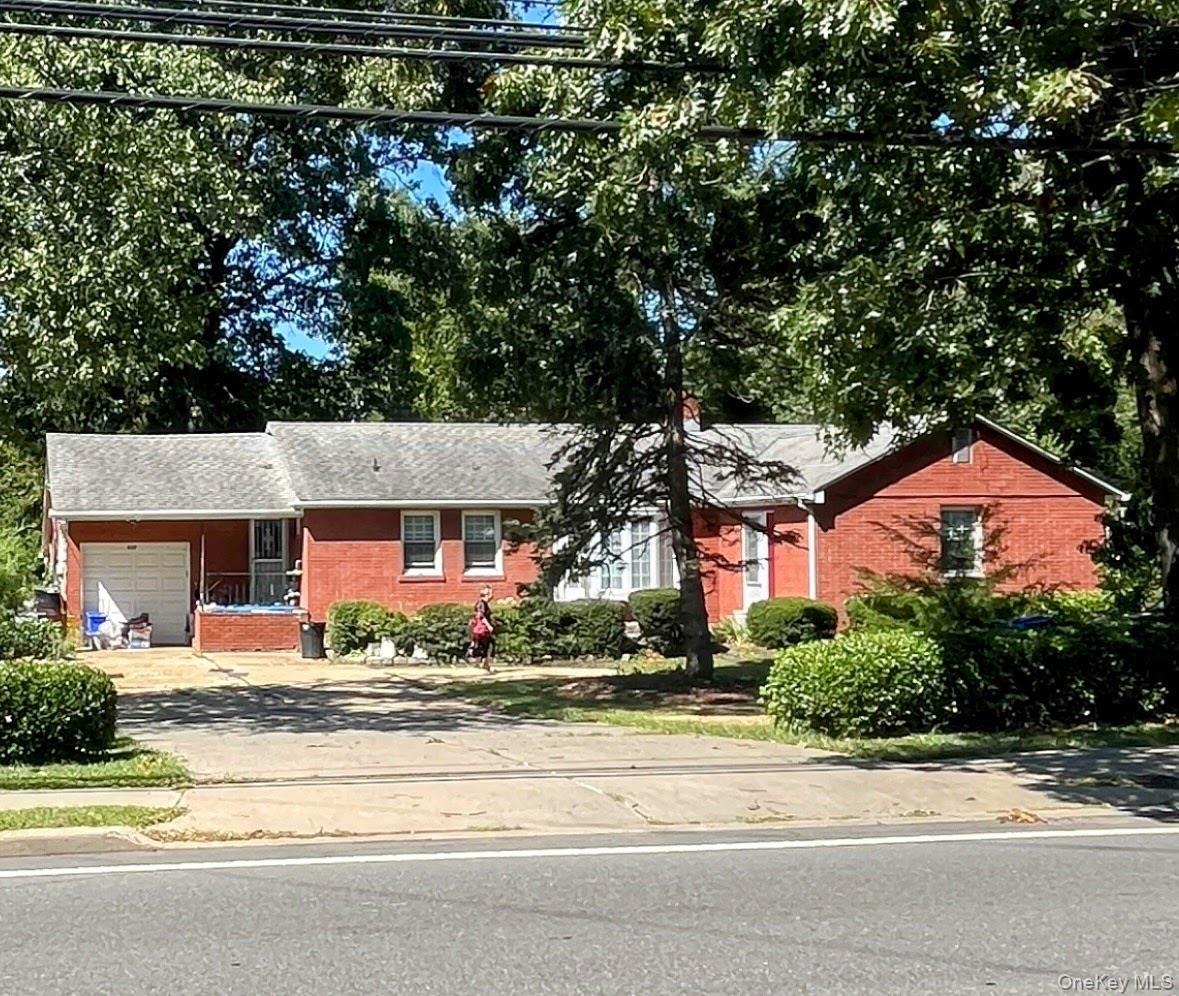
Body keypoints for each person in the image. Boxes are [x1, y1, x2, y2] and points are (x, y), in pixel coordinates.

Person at [468, 585, 495, 670]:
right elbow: (481, 616)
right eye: (491, 592)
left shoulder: (482, 603)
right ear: (487, 594)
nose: (492, 594)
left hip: (480, 628)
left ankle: (483, 664)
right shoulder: (482, 603)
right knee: (486, 645)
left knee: (484, 645)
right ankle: (483, 664)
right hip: (482, 628)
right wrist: (489, 625)